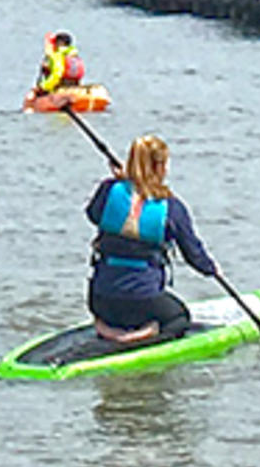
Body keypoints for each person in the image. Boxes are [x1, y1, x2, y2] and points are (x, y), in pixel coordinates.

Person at [85, 135, 219, 343]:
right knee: (179, 317)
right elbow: (194, 255)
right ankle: (143, 334)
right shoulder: (172, 208)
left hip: (100, 299)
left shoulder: (108, 190)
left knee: (110, 299)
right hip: (142, 301)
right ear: (159, 167)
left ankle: (105, 328)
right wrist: (212, 269)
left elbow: (93, 214)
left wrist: (121, 183)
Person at [33, 32, 84, 97]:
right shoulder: (74, 56)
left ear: (59, 43)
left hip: (60, 91)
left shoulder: (57, 56)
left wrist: (43, 87)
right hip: (74, 88)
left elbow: (56, 75)